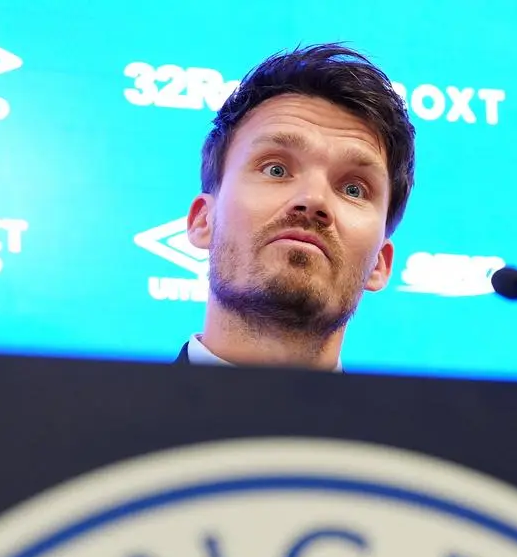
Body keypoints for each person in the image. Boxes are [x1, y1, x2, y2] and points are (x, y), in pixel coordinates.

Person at [176, 43, 417, 371]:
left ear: (380, 263)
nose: (313, 199)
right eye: (275, 169)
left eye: (353, 189)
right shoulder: (102, 405)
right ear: (203, 220)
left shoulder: (446, 409)